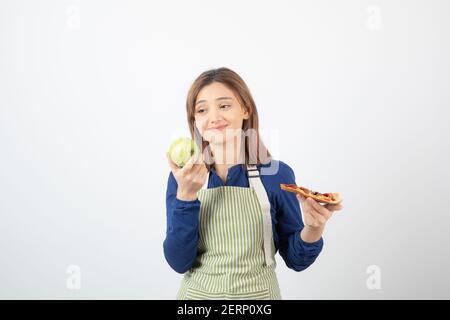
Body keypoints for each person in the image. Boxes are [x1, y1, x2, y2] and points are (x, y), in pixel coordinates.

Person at [164, 67, 343, 300]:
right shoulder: (182, 178)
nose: (214, 117)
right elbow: (178, 261)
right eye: (202, 110)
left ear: (246, 109)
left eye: (224, 105)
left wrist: (313, 228)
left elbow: (296, 261)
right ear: (195, 121)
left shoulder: (275, 175)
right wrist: (185, 197)